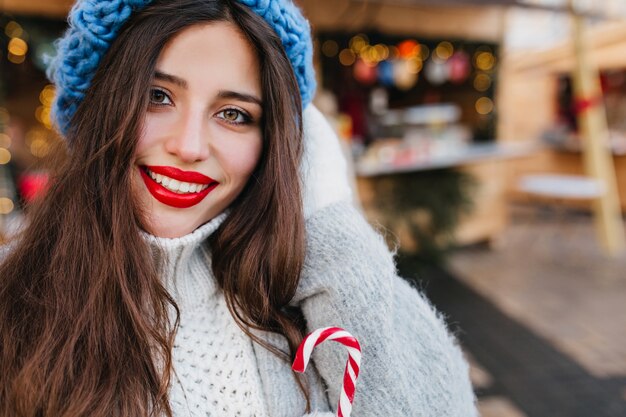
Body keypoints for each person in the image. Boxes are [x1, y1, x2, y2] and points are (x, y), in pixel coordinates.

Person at [0, 0, 477, 416]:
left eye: (235, 114)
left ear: (273, 144)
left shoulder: (293, 298)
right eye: (156, 96)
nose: (188, 147)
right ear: (100, 108)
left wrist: (330, 220)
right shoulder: (14, 304)